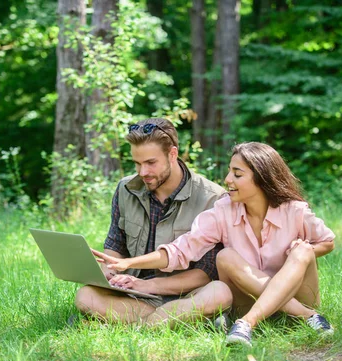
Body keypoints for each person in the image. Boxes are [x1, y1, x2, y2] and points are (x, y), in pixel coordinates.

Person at [94, 142, 335, 346]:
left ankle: (249, 324)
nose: (228, 179)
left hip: (297, 296)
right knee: (226, 256)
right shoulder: (223, 211)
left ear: (262, 179)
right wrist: (128, 263)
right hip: (247, 302)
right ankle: (307, 317)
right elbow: (181, 250)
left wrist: (303, 251)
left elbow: (327, 241)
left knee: (304, 249)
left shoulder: (293, 210)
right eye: (230, 171)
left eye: (237, 174)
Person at [74, 118, 232, 327]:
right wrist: (108, 272)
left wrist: (149, 286)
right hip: (133, 293)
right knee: (85, 296)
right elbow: (115, 246)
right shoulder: (126, 188)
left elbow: (205, 274)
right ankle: (175, 322)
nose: (143, 172)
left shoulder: (213, 198)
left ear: (172, 154)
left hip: (184, 294)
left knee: (219, 293)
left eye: (150, 163)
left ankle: (128, 322)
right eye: (137, 163)